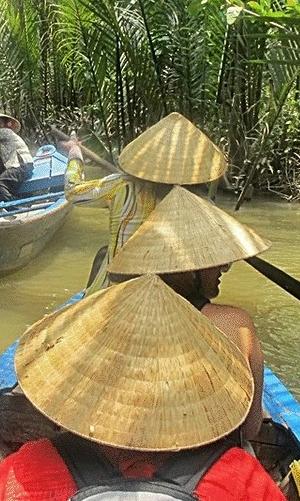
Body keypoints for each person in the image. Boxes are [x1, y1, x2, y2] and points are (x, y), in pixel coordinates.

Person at [0, 274, 286, 501]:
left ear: (77, 389)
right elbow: (252, 426)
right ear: (188, 394)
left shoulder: (21, 476)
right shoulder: (242, 479)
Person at [107, 185, 272, 441]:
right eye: (214, 259)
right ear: (187, 268)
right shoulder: (235, 324)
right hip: (207, 463)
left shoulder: (111, 315)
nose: (226, 266)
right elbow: (250, 429)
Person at [63, 112, 227, 289]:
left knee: (104, 255)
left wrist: (75, 156)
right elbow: (223, 264)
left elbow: (73, 191)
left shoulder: (122, 185)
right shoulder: (202, 203)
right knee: (103, 254)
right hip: (173, 294)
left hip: (117, 289)